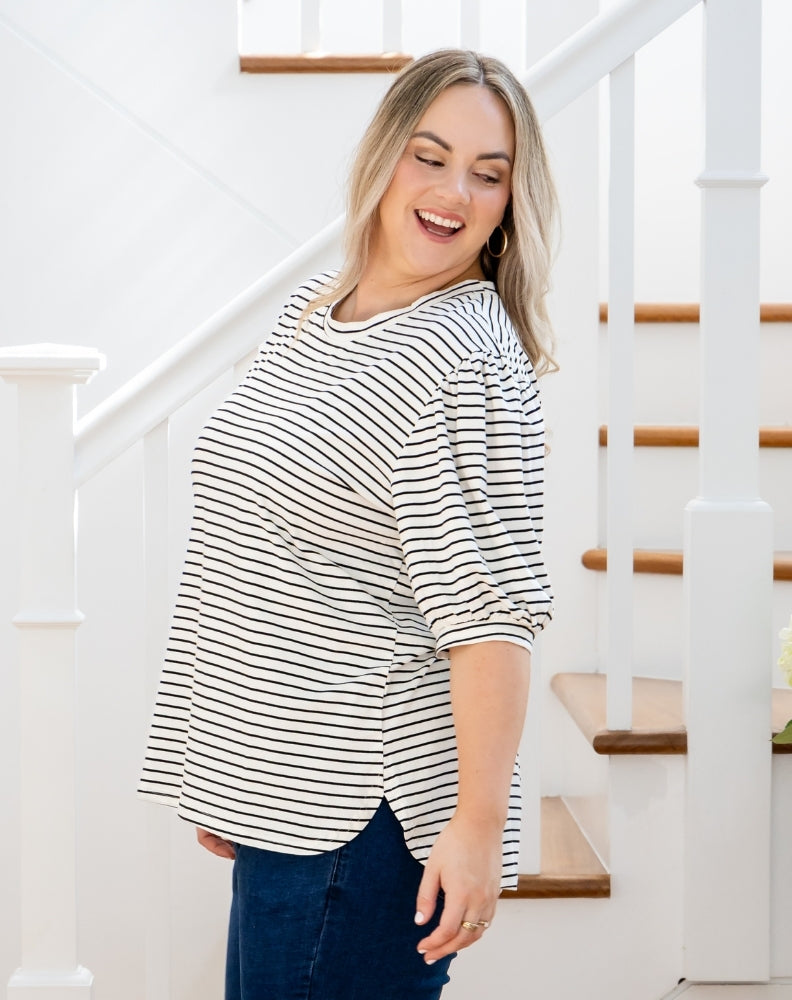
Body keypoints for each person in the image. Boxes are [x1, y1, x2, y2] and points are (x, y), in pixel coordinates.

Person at [138, 48, 557, 1000]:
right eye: (429, 157)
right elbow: (255, 547)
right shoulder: (316, 308)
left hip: (362, 819)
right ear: (383, 155)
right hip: (282, 791)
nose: (453, 192)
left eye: (488, 174)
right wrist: (230, 764)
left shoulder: (465, 362)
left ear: (509, 203)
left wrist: (478, 827)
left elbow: (489, 618)